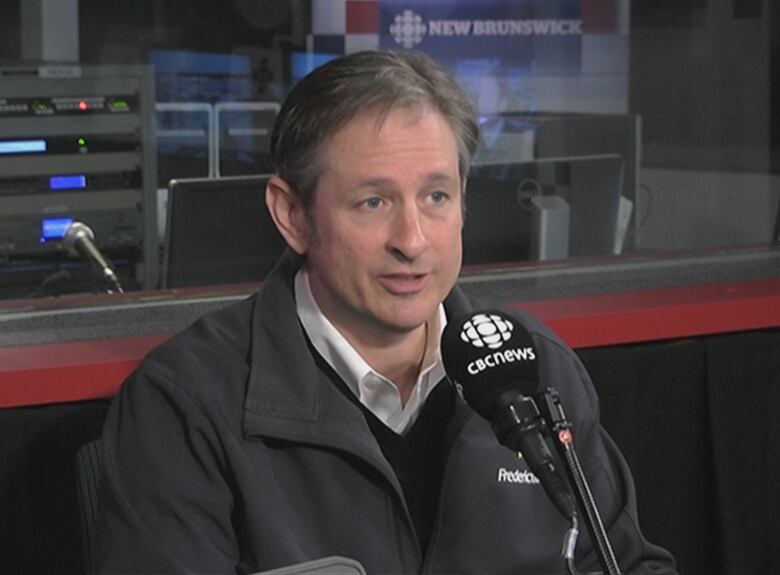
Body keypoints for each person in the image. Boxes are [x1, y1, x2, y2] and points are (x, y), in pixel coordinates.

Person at [94, 50, 677, 574]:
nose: (414, 239)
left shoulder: (537, 371)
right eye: (373, 202)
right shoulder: (183, 407)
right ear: (293, 216)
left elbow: (627, 562)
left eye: (436, 197)